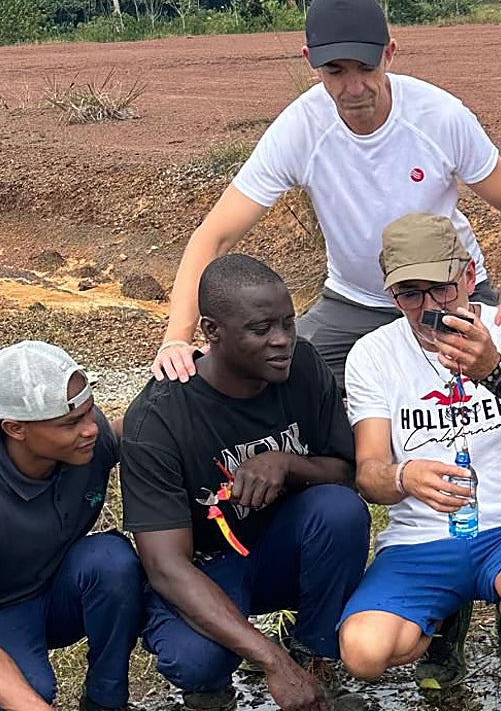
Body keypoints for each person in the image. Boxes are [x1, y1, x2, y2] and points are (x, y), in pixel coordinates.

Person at [151, 0, 501, 385]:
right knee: (280, 379)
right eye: (335, 71)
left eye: (366, 68)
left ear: (389, 53)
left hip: (446, 293)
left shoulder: (440, 117)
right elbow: (212, 237)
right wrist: (176, 339)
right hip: (355, 303)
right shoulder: (300, 129)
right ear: (311, 62)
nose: (353, 88)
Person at [337, 212, 501, 705]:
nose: (429, 307)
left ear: (469, 275)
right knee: (363, 652)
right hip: (422, 538)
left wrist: (495, 369)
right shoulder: (372, 354)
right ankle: (445, 618)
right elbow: (368, 474)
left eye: (442, 289)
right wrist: (404, 476)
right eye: (412, 294)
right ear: (393, 297)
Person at [121, 254, 370, 711]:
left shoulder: (304, 366)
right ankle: (216, 687)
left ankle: (314, 656)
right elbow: (166, 567)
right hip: (207, 565)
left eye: (289, 323)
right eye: (262, 330)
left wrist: (287, 463)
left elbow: (346, 473)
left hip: (283, 546)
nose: (283, 342)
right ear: (212, 332)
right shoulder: (158, 420)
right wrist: (271, 663)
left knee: (340, 511)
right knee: (198, 660)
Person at [0, 341, 143, 711]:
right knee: (26, 693)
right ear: (15, 428)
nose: (91, 429)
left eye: (91, 413)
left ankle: (105, 701)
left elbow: (147, 432)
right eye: (71, 423)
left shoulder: (86, 444)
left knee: (113, 561)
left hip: (51, 592)